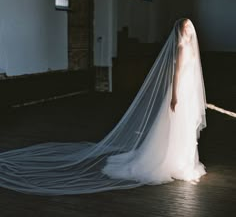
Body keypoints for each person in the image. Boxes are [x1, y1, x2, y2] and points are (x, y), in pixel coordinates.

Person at [0, 18, 206, 195]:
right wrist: (175, 96)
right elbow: (176, 74)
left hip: (187, 92)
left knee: (184, 128)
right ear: (180, 29)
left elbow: (192, 75)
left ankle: (183, 161)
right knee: (174, 127)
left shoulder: (190, 48)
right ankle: (168, 160)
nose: (188, 30)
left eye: (190, 27)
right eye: (185, 27)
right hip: (180, 92)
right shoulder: (180, 48)